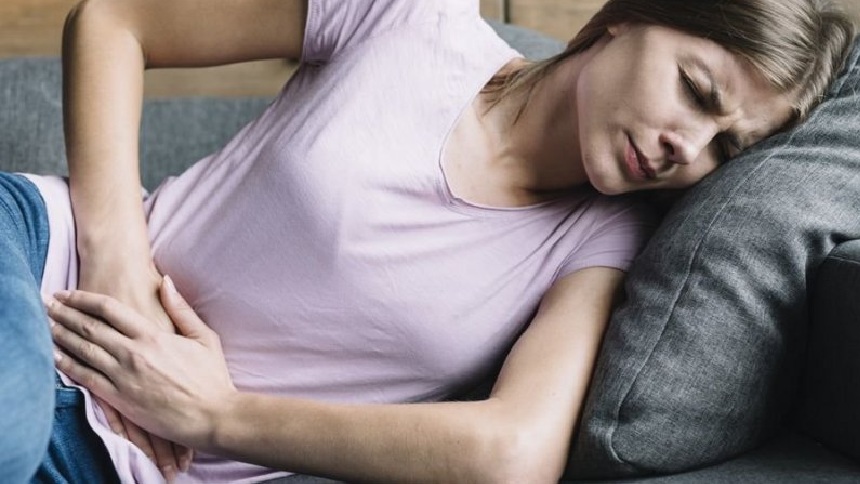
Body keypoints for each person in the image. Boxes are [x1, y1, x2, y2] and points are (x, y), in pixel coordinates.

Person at [2, 0, 854, 482]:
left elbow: (514, 453)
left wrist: (214, 415)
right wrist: (117, 261)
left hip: (121, 462)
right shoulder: (410, 18)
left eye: (725, 148)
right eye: (697, 91)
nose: (687, 148)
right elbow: (117, 19)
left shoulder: (603, 242)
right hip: (44, 257)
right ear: (626, 20)